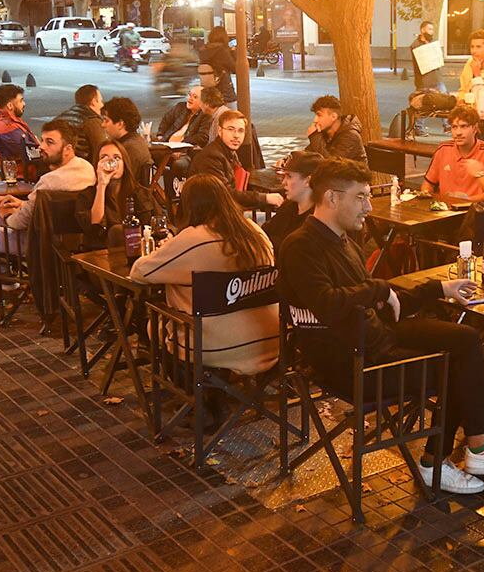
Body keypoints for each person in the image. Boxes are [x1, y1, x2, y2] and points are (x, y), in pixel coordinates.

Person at [278, 158, 484, 494]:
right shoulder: (301, 246)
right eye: (360, 197)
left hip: (374, 336)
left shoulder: (343, 240)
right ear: (331, 198)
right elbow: (330, 303)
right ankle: (438, 462)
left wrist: (439, 289)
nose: (368, 207)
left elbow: (381, 301)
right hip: (348, 362)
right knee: (454, 369)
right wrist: (379, 290)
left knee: (464, 339)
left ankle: (480, 447)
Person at [131, 173, 278, 426]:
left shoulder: (193, 238)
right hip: (270, 341)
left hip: (215, 347)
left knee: (153, 322)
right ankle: (216, 389)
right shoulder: (256, 232)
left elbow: (139, 272)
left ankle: (201, 400)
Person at [0, 120, 95, 324]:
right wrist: (20, 204)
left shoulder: (50, 181)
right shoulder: (86, 168)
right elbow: (39, 209)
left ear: (68, 148)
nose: (41, 147)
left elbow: (18, 222)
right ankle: (2, 269)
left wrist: (6, 213)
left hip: (39, 242)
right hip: (61, 237)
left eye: (49, 142)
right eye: (42, 140)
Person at [189, 109, 283, 211]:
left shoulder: (229, 152)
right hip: (208, 217)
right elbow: (225, 194)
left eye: (240, 131)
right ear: (220, 131)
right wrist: (265, 198)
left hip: (224, 211)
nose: (236, 135)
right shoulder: (211, 157)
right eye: (230, 129)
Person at [74, 139, 155, 249]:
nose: (111, 162)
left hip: (139, 252)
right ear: (97, 164)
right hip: (101, 254)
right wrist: (102, 185)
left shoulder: (139, 192)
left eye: (117, 158)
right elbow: (94, 225)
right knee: (117, 231)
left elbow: (161, 220)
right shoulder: (87, 195)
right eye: (104, 158)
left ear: (124, 164)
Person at [420, 105, 484, 202]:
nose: (458, 132)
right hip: (445, 211)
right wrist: (426, 197)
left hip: (475, 210)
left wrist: (464, 202)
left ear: (475, 129)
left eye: (464, 126)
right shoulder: (443, 149)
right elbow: (428, 183)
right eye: (454, 127)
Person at [263, 150, 320, 253]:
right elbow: (265, 231)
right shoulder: (289, 206)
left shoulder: (318, 219)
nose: (283, 182)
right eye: (284, 176)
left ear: (308, 181)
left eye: (289, 176)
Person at [0, 83, 40, 175]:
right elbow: (29, 151)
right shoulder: (8, 128)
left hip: (15, 168)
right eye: (21, 101)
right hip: (26, 170)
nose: (24, 104)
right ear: (10, 106)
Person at [100, 96, 154, 186]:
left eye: (106, 120)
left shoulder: (126, 149)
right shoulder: (137, 141)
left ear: (120, 124)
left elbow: (114, 184)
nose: (102, 125)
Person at [305, 95, 367, 164]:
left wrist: (314, 136)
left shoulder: (351, 136)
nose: (315, 120)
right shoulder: (324, 133)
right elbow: (307, 155)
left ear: (333, 117)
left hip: (352, 174)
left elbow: (332, 165)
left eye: (319, 115)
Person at [57, 84, 107, 161]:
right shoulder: (92, 120)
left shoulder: (60, 117)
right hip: (80, 166)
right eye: (101, 101)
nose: (102, 105)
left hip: (59, 163)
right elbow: (102, 150)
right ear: (94, 101)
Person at [200, 25, 237, 107]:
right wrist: (233, 52)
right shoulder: (221, 51)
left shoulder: (203, 50)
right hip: (224, 91)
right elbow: (235, 68)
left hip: (208, 90)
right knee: (231, 117)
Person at [410, 20, 442, 91]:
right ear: (423, 30)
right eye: (429, 29)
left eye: (432, 30)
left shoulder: (432, 42)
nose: (432, 32)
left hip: (436, 80)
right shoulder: (416, 45)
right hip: (423, 82)